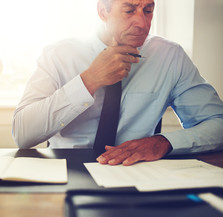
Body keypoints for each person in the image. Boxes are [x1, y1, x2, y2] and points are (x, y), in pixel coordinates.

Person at [12, 0, 223, 166]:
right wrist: (89, 80)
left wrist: (163, 142)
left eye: (148, 10)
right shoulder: (58, 55)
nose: (142, 23)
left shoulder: (170, 56)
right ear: (103, 11)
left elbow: (218, 124)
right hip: (66, 170)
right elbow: (23, 134)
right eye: (129, 10)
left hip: (137, 172)